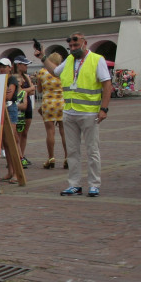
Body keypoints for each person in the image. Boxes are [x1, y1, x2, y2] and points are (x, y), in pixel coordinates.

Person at [37, 33, 112, 197]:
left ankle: (94, 184)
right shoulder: (70, 59)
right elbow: (55, 71)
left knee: (92, 150)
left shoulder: (96, 59)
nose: (73, 49)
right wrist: (43, 57)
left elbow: (107, 84)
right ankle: (74, 184)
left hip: (89, 112)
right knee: (72, 151)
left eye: (76, 46)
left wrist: (104, 108)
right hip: (69, 111)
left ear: (85, 43)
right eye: (70, 47)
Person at [35, 52, 67, 169]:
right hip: (62, 103)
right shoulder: (62, 71)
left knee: (50, 131)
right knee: (64, 132)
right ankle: (67, 157)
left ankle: (51, 157)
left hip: (48, 103)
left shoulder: (42, 72)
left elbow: (38, 90)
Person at [0, 58, 21, 184]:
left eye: (4, 66)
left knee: (12, 140)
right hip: (0, 108)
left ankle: (17, 172)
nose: (2, 69)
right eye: (0, 66)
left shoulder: (11, 79)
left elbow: (9, 95)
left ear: (10, 68)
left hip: (10, 107)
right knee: (5, 142)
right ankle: (10, 171)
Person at [14, 57, 35, 168]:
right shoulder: (14, 77)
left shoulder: (26, 77)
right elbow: (19, 91)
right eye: (25, 65)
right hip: (18, 107)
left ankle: (22, 154)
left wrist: (26, 90)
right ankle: (19, 156)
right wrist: (29, 89)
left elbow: (32, 91)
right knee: (18, 133)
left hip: (27, 106)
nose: (26, 67)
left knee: (25, 132)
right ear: (18, 65)